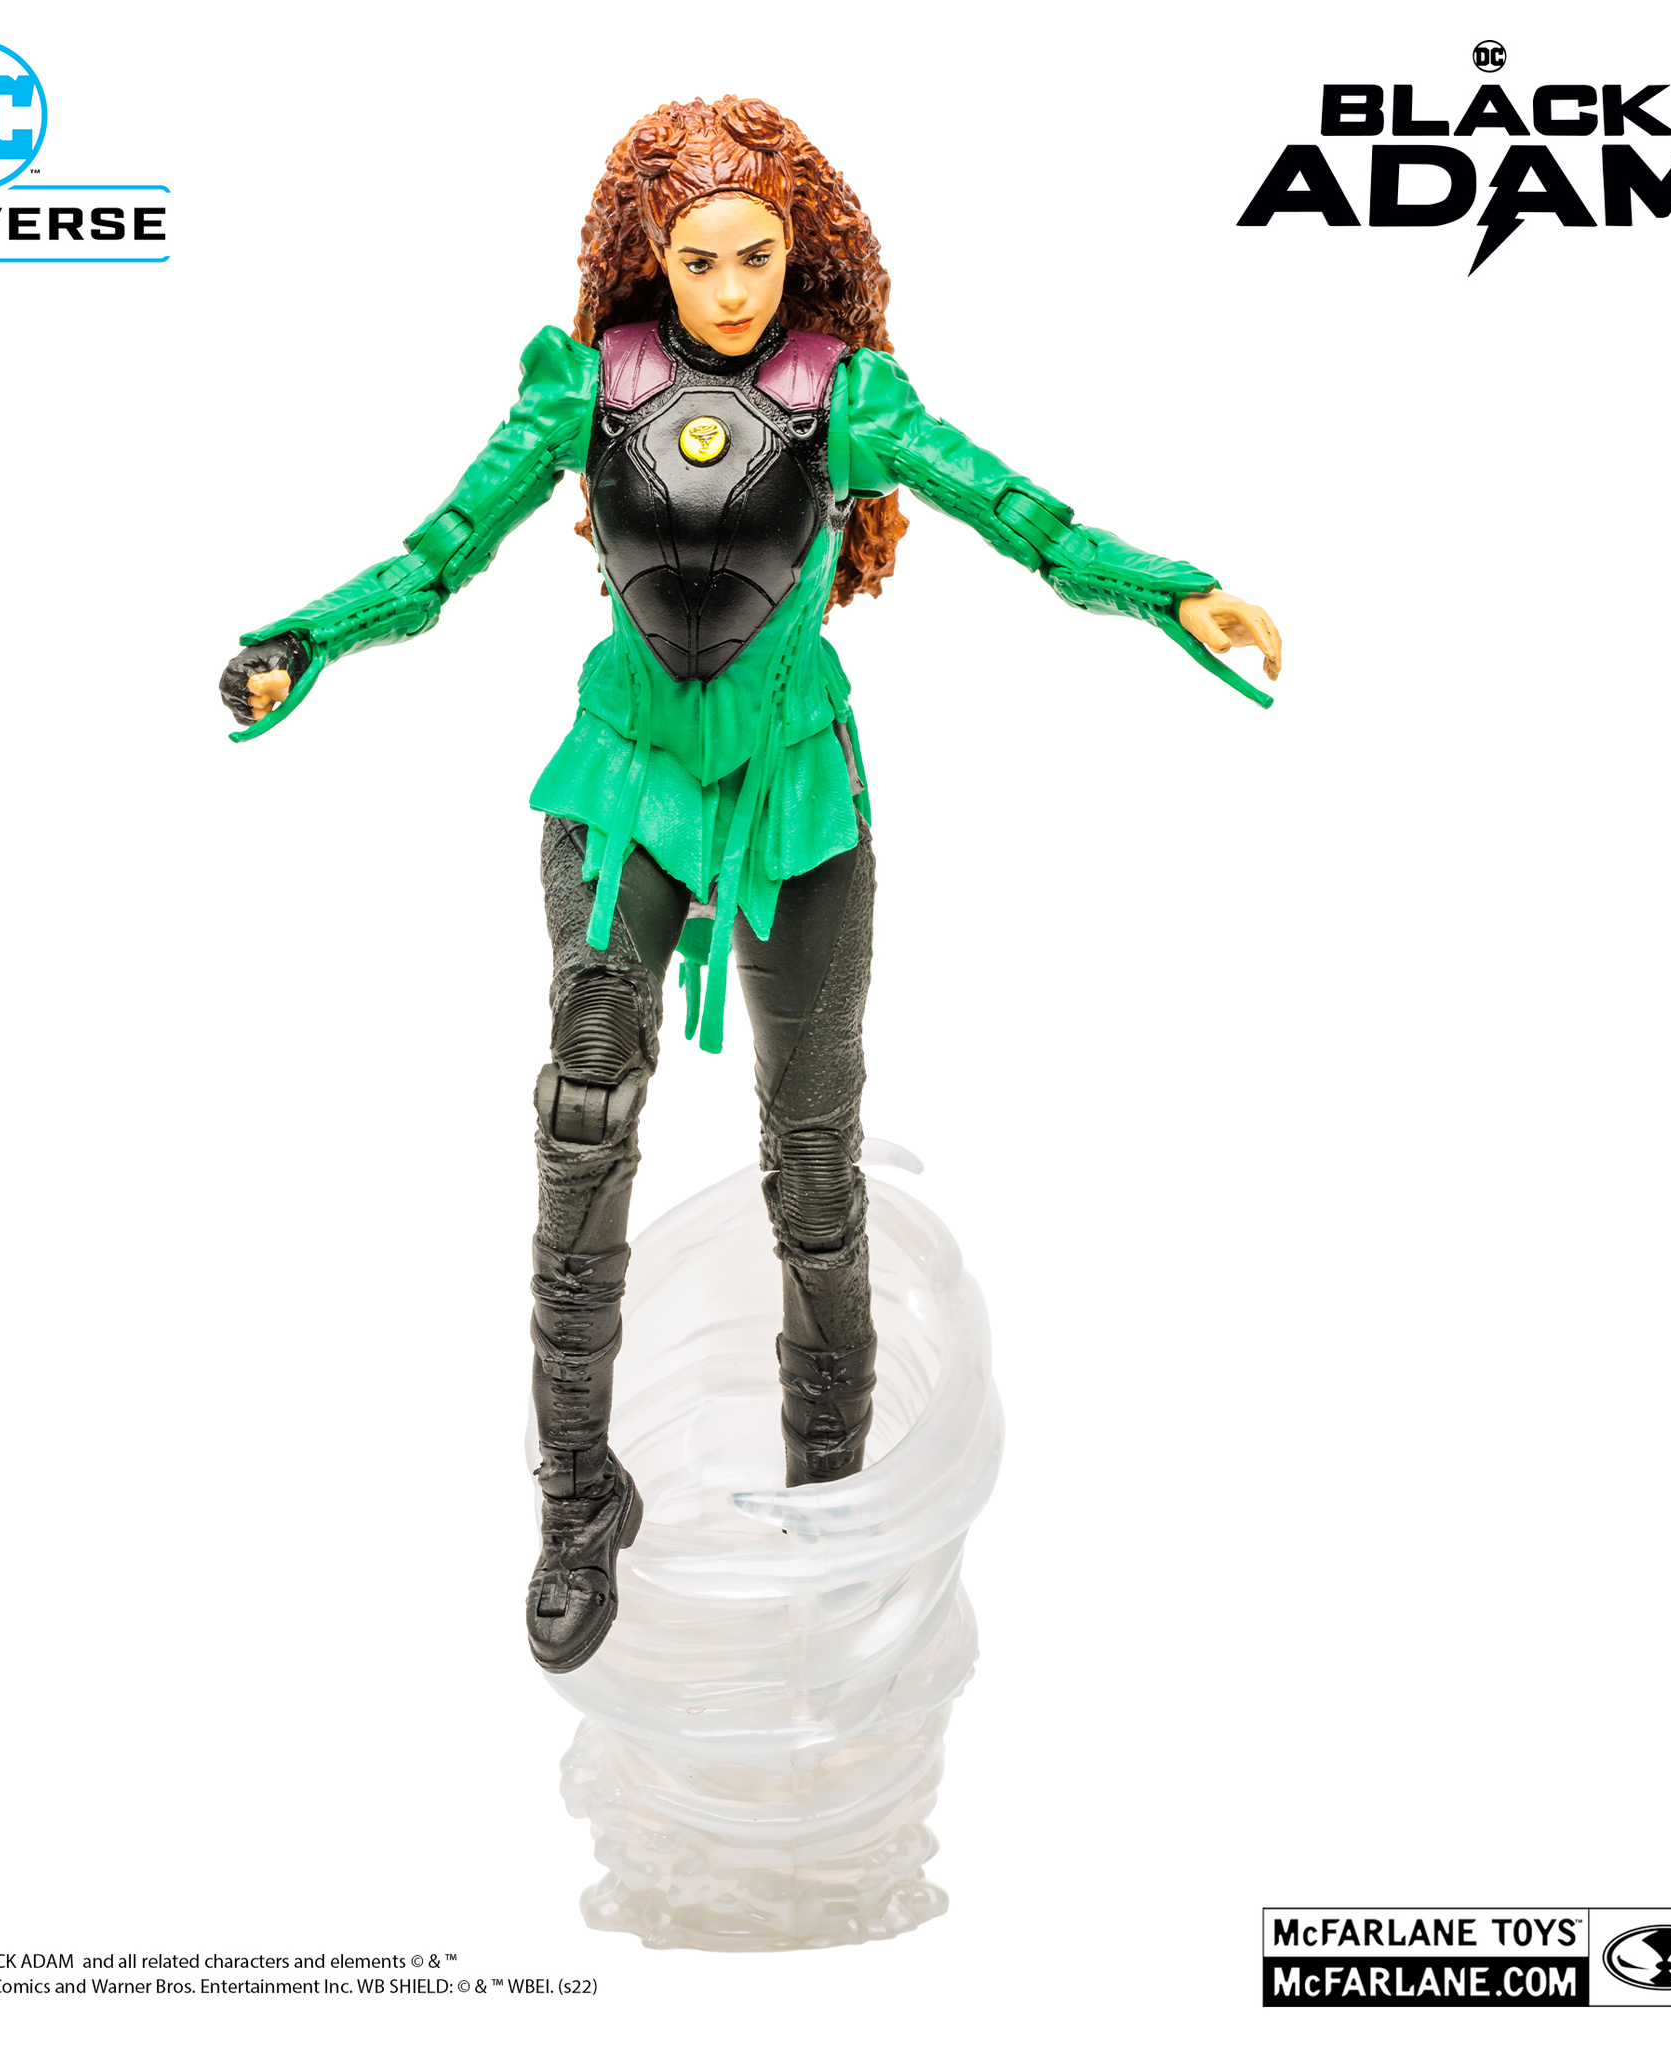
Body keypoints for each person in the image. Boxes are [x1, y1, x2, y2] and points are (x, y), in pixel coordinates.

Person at [216, 96, 1282, 1675]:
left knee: (815, 1162)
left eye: (757, 257)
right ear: (652, 255)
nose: (729, 289)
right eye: (700, 260)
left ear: (799, 251)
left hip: (793, 794)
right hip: (627, 781)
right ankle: (576, 1500)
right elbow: (439, 553)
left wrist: (1169, 592)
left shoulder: (847, 396)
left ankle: (828, 1509)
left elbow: (1022, 516)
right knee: (582, 1118)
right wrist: (307, 636)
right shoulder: (585, 387)